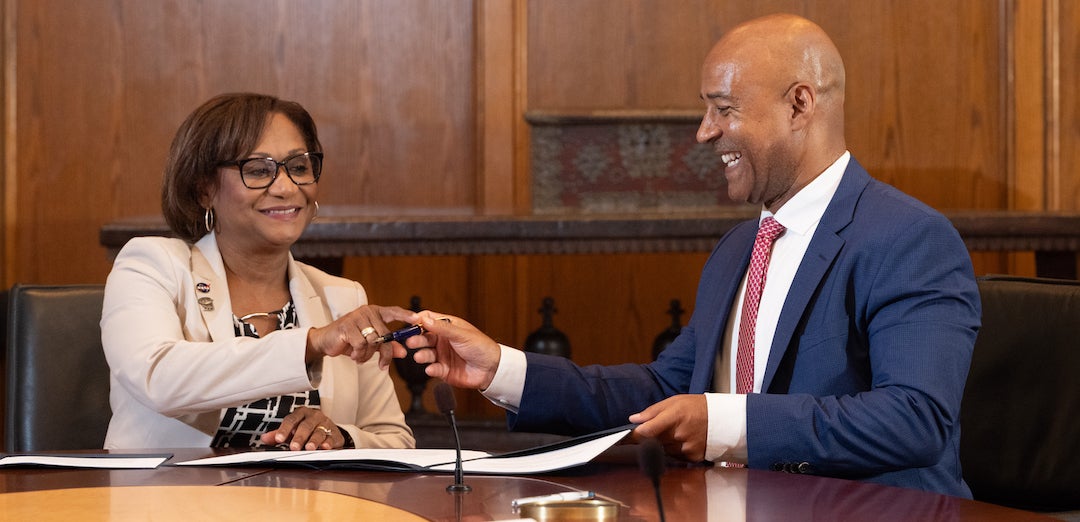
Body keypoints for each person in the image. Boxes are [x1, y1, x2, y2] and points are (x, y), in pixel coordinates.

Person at [401, 14, 980, 498]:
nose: (705, 133)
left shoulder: (909, 238)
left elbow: (915, 419)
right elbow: (662, 390)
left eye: (724, 109)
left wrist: (724, 421)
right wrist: (500, 370)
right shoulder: (738, 251)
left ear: (799, 105)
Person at [102, 93, 417, 451]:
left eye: (299, 167)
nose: (286, 188)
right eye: (257, 170)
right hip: (166, 498)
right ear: (204, 188)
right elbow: (157, 378)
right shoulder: (151, 265)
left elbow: (395, 441)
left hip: (308, 504)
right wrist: (310, 343)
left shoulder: (343, 297)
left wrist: (343, 437)